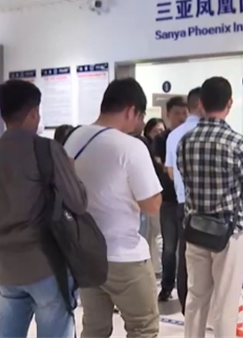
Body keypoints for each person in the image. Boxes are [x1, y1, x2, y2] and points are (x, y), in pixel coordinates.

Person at [0, 79, 88, 338]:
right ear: (34, 112)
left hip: (7, 266)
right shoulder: (47, 150)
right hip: (45, 264)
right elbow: (78, 202)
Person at [62, 78, 162, 338]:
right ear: (131, 110)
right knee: (143, 328)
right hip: (125, 256)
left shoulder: (74, 138)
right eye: (140, 116)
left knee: (95, 329)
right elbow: (152, 205)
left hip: (87, 253)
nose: (139, 123)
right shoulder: (131, 147)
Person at [178, 77, 243, 338]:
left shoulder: (185, 141)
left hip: (195, 227)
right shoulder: (238, 143)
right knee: (226, 301)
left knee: (196, 297)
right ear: (230, 103)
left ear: (200, 103)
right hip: (229, 231)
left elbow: (184, 177)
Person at [164, 86, 202, 312]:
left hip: (182, 203)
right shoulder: (209, 131)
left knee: (185, 256)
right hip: (209, 207)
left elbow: (170, 171)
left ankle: (186, 305)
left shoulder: (174, 135)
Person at [154, 96, 187, 303]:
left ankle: (186, 286)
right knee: (169, 247)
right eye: (177, 113)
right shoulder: (161, 139)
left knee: (187, 247)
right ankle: (167, 286)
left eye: (185, 113)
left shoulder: (190, 135)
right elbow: (162, 168)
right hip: (168, 199)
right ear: (167, 114)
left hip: (187, 201)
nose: (182, 117)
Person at [140, 118, 165, 276]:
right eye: (156, 131)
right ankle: (156, 267)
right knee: (153, 233)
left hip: (158, 195)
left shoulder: (162, 147)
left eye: (161, 130)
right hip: (150, 195)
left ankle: (157, 267)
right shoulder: (147, 148)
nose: (159, 134)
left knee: (156, 233)